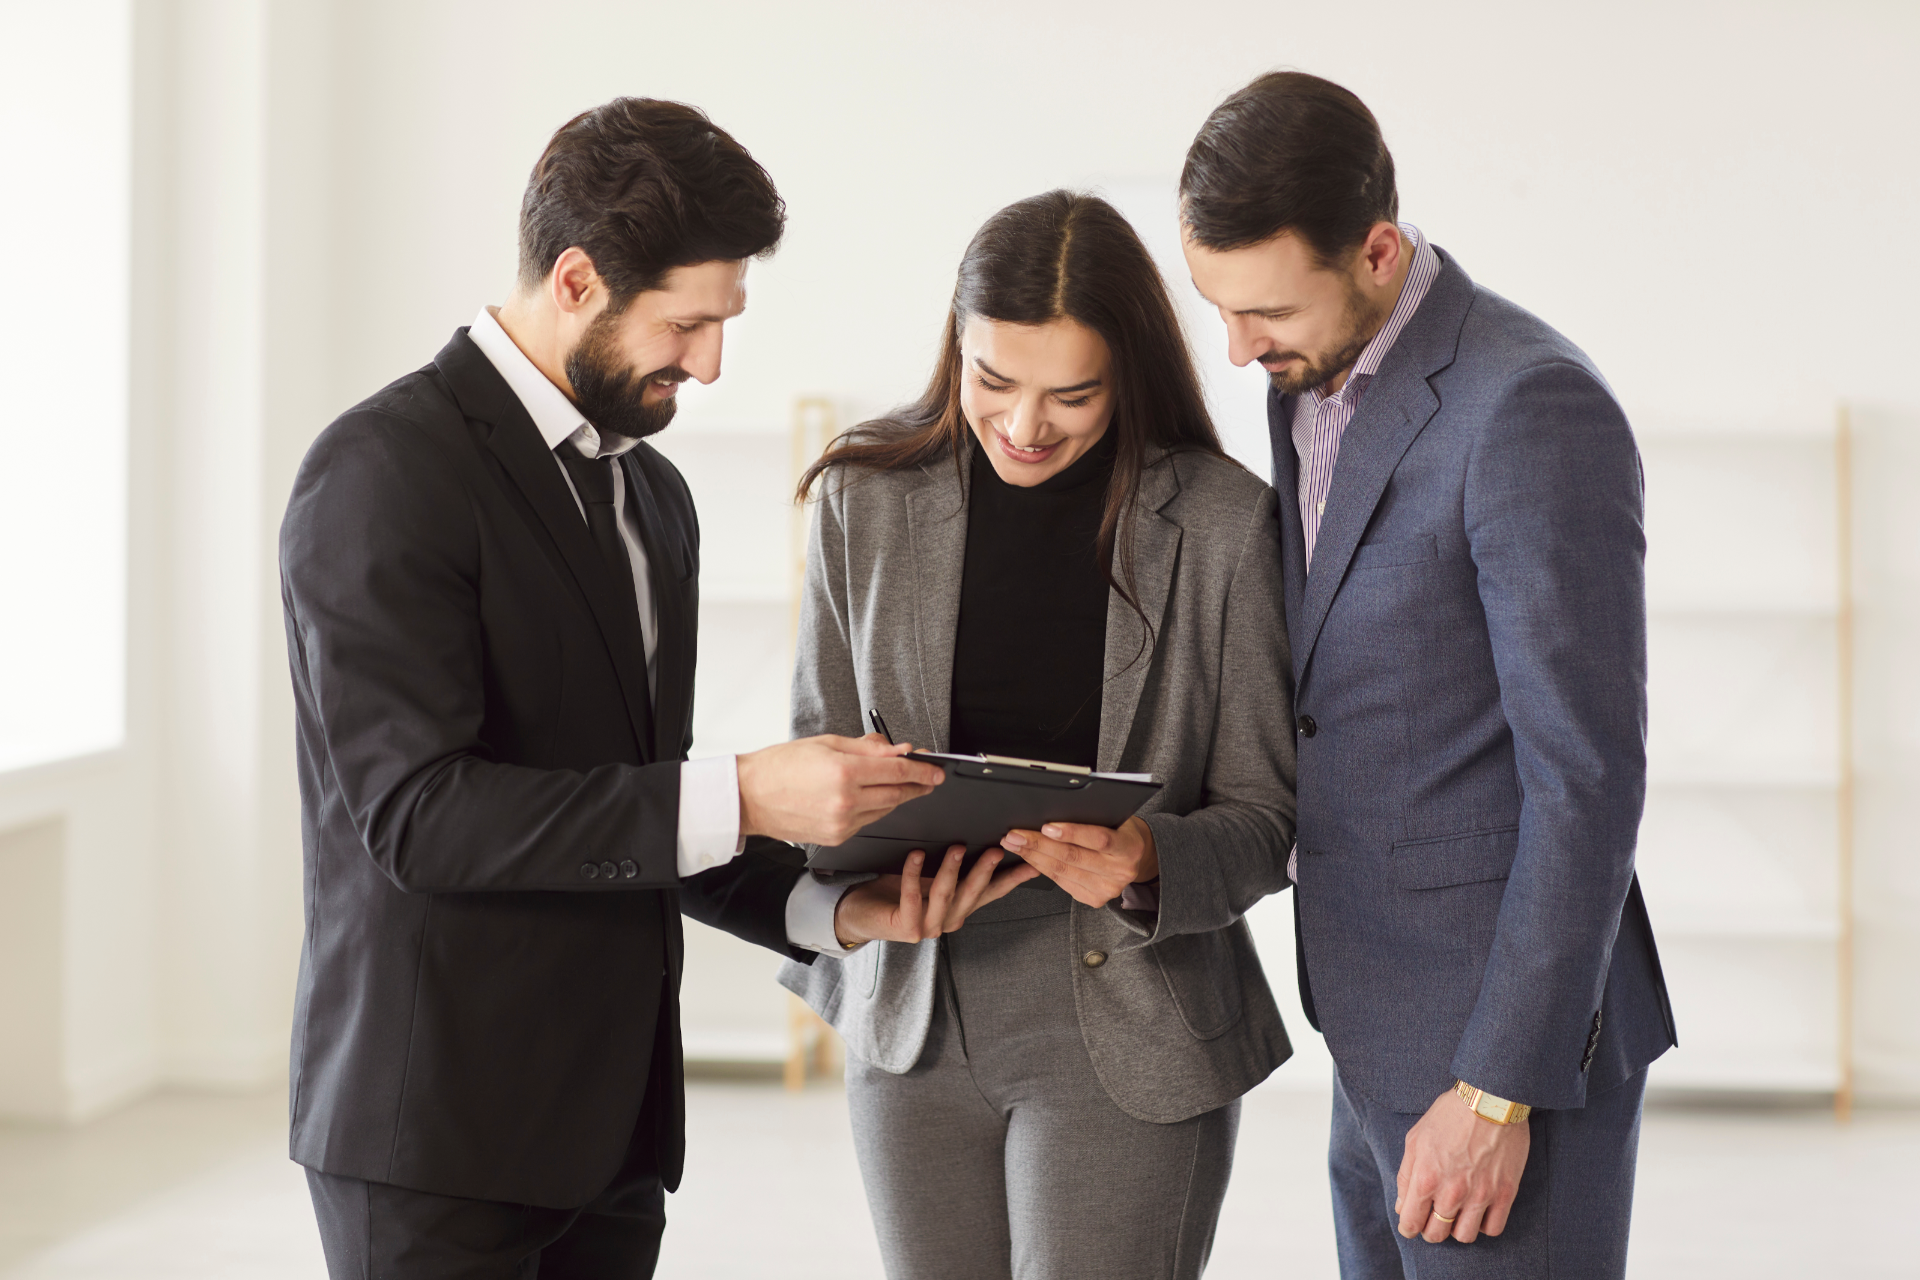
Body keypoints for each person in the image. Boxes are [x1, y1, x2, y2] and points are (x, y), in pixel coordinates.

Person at [277, 97, 990, 1279]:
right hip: (434, 1138)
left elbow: (628, 794)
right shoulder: (382, 471)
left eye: (725, 324)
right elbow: (421, 817)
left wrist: (826, 911)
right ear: (575, 280)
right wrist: (751, 794)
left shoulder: (655, 499)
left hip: (614, 1138)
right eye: (686, 323)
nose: (709, 362)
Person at [1177, 72, 1677, 1279]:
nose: (1239, 346)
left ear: (1379, 250)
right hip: (1375, 1032)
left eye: (1264, 311)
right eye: (1221, 308)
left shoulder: (1528, 404)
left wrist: (1498, 1089)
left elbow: (1587, 774)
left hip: (1502, 1058)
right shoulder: (1309, 381)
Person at [779, 190, 1299, 1280]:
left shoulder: (1222, 525)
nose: (1024, 426)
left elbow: (1266, 813)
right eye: (993, 382)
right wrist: (845, 903)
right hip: (911, 1014)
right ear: (953, 351)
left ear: (1132, 374)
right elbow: (808, 774)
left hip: (1130, 1025)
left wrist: (1152, 857)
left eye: (1073, 394)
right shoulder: (860, 500)